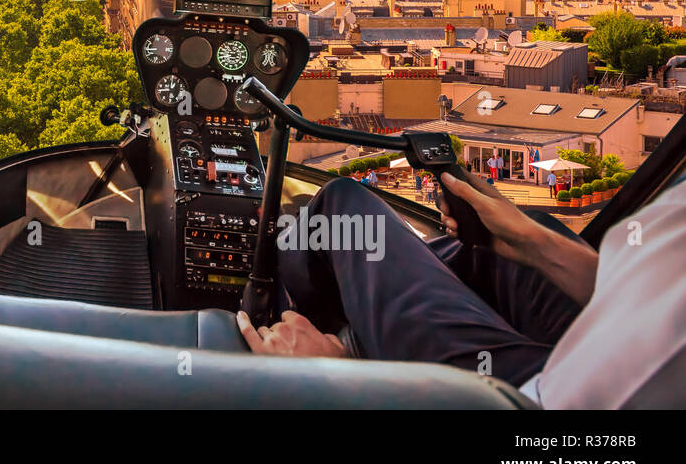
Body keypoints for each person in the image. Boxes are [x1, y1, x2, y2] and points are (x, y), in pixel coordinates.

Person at [234, 169, 686, 407]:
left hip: (533, 402)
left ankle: (292, 318)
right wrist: (532, 243)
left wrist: (336, 385)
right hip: (611, 337)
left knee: (345, 207)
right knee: (499, 244)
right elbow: (653, 290)